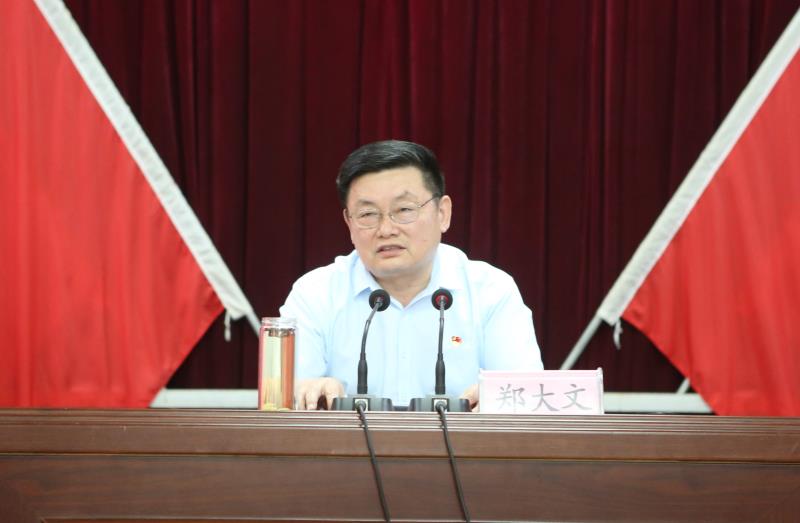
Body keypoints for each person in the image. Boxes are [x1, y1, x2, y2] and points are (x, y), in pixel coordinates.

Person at [280, 140, 543, 410]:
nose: (386, 230)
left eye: (404, 210)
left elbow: (527, 398)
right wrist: (307, 391)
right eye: (368, 214)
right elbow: (286, 398)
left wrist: (498, 399)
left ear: (443, 213)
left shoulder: (490, 291)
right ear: (349, 222)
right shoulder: (315, 294)